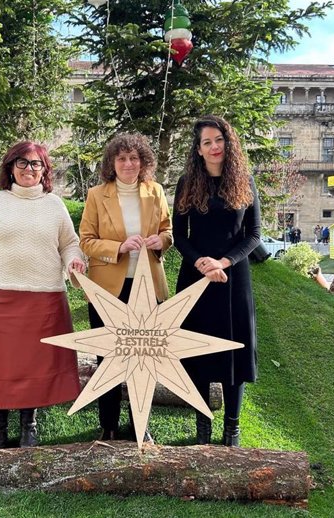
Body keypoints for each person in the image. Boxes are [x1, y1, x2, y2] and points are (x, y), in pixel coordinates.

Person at [0, 141, 86, 449]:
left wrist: (75, 259)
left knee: (34, 365)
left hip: (45, 299)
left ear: (44, 170)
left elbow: (69, 243)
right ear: (10, 167)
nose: (29, 169)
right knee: (0, 364)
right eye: (22, 163)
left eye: (36, 164)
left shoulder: (54, 205)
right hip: (0, 299)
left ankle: (29, 424)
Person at [173, 115, 261, 446]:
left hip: (233, 279)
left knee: (234, 353)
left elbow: (253, 235)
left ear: (228, 143)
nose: (214, 147)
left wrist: (223, 262)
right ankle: (203, 428)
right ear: (198, 149)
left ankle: (232, 429)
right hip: (195, 279)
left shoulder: (244, 181)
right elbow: (179, 235)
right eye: (207, 142)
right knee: (197, 353)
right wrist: (200, 262)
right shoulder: (186, 183)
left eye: (219, 140)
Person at [79, 133, 173, 442]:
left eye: (134, 158)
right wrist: (118, 247)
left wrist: (162, 241)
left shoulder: (155, 191)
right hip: (107, 288)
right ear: (112, 163)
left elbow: (167, 231)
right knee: (108, 359)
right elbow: (87, 241)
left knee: (143, 360)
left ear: (143, 161)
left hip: (147, 287)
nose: (128, 164)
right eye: (122, 159)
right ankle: (108, 427)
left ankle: (139, 425)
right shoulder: (96, 195)